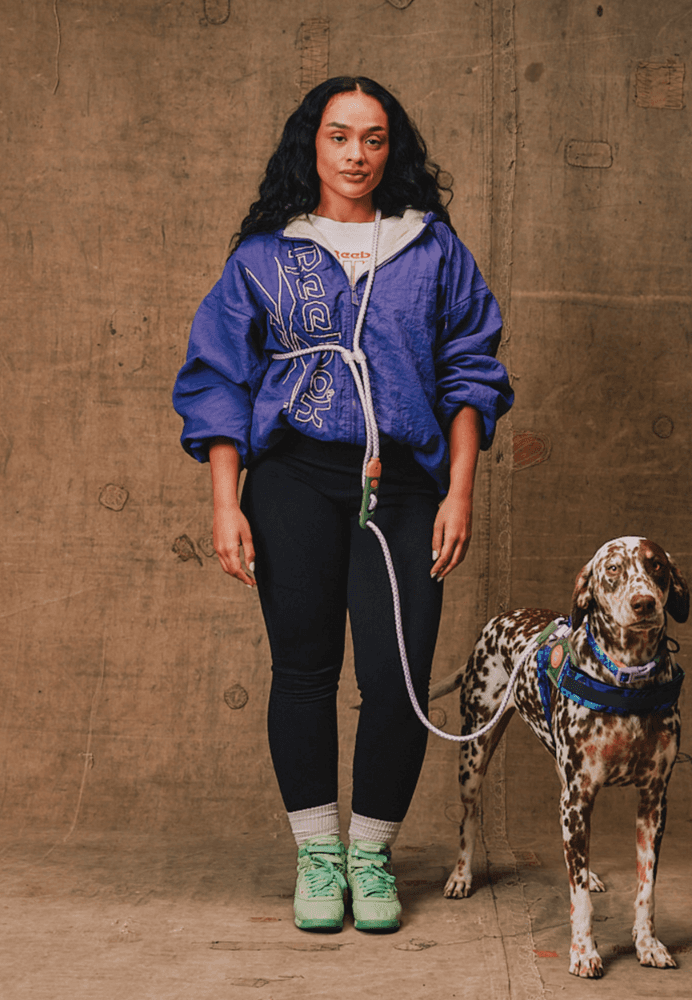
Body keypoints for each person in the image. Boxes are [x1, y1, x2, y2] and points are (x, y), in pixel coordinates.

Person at [172, 76, 512, 934]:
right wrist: (225, 503)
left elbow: (470, 372)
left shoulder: (433, 250)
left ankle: (371, 856)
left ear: (392, 150)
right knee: (304, 671)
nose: (356, 154)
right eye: (338, 136)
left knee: (396, 679)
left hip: (403, 485)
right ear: (312, 145)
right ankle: (319, 857)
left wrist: (459, 491)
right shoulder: (264, 257)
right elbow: (219, 379)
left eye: (373, 138)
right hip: (291, 479)